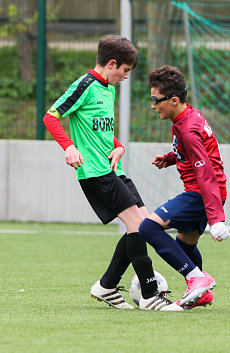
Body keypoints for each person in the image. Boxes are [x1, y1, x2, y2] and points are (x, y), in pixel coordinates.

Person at [43, 34, 181, 311]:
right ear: (112, 63)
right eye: (126, 71)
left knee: (146, 224)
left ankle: (107, 285)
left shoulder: (109, 89)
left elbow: (102, 131)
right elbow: (51, 116)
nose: (126, 77)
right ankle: (150, 294)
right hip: (94, 172)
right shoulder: (85, 85)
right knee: (139, 226)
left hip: (113, 169)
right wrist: (69, 147)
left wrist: (118, 147)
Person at [138, 65, 230, 309]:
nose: (153, 105)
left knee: (148, 228)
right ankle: (203, 293)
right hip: (209, 192)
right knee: (185, 245)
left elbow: (205, 172)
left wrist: (216, 219)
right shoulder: (187, 115)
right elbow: (196, 151)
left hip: (202, 193)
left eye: (155, 100)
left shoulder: (187, 128)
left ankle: (196, 278)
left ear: (174, 100)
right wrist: (170, 158)